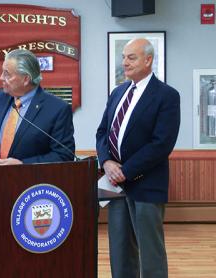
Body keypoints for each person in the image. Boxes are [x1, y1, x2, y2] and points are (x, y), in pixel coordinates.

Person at [96, 38, 180, 278]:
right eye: (123, 57)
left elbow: (161, 143)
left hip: (146, 184)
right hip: (115, 184)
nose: (125, 63)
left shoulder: (167, 95)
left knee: (150, 253)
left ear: (148, 59)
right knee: (120, 251)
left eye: (131, 57)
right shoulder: (118, 92)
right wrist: (107, 163)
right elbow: (102, 132)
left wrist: (126, 170)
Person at [0, 49, 75, 165]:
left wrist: (23, 165)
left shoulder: (57, 109)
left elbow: (63, 155)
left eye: (7, 74)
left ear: (26, 79)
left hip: (33, 181)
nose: (1, 78)